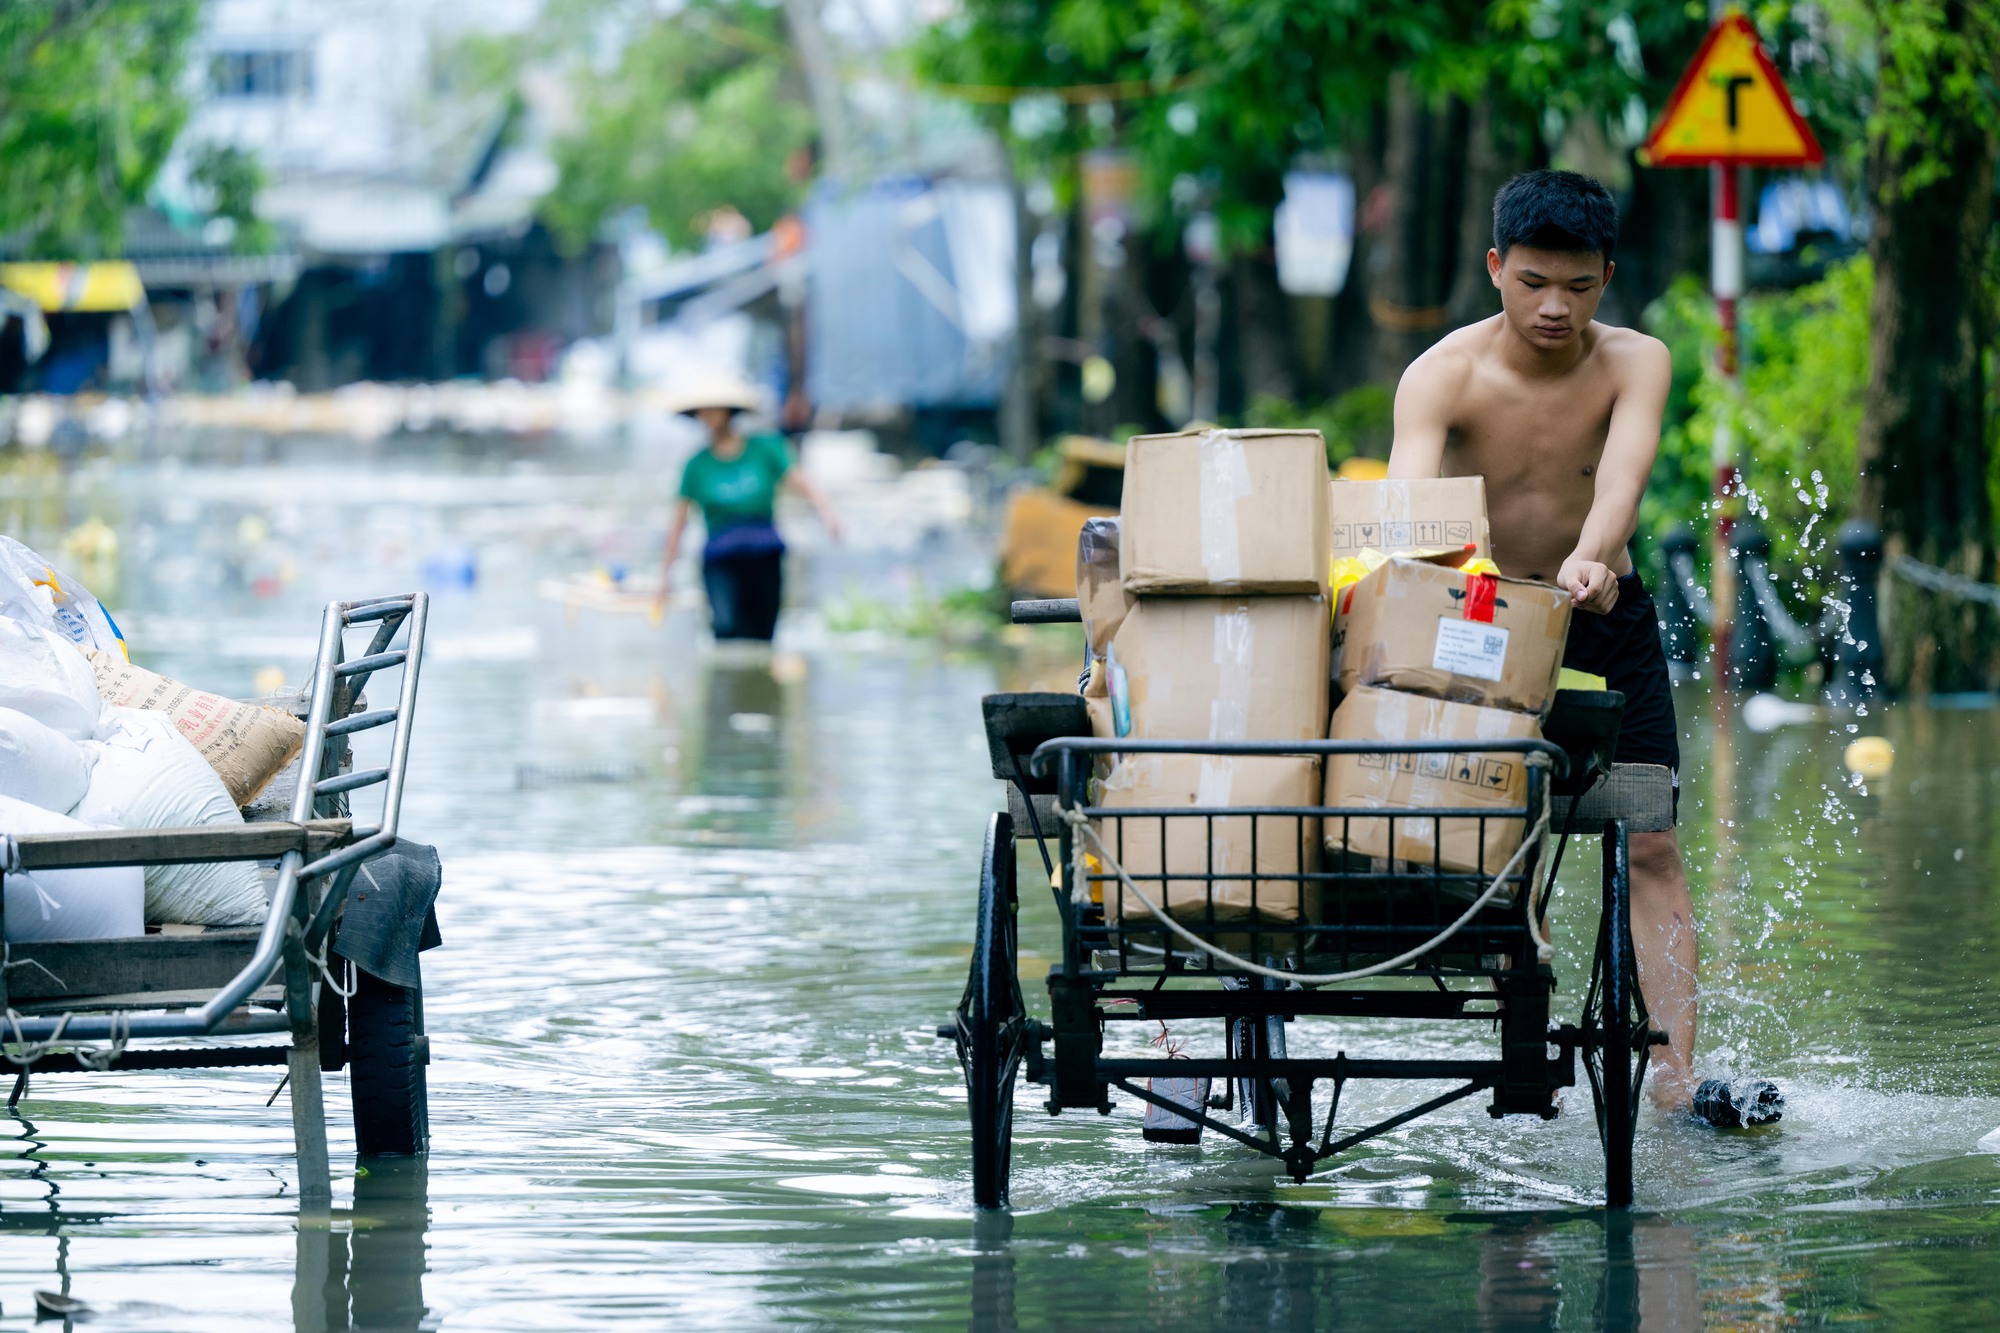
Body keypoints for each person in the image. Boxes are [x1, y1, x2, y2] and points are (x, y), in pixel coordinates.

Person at [1385, 168, 1780, 1127]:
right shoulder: (1442, 372)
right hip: (1481, 613)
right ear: (1495, 269)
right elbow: (1407, 505)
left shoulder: (1634, 360)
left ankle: (1677, 1077)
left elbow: (1623, 477)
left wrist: (1592, 559)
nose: (1554, 307)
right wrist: (1465, 568)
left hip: (1605, 604)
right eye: (1531, 283)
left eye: (1577, 285)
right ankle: (1523, 1018)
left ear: (1608, 276)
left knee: (1650, 839)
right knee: (1497, 828)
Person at [656, 380, 840, 641]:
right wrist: (665, 576)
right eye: (703, 412)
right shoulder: (696, 465)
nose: (708, 417)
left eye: (714, 410)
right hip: (721, 557)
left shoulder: (765, 448)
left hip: (764, 553)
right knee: (726, 627)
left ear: (729, 412)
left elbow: (801, 483)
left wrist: (829, 516)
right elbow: (678, 523)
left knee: (763, 634)